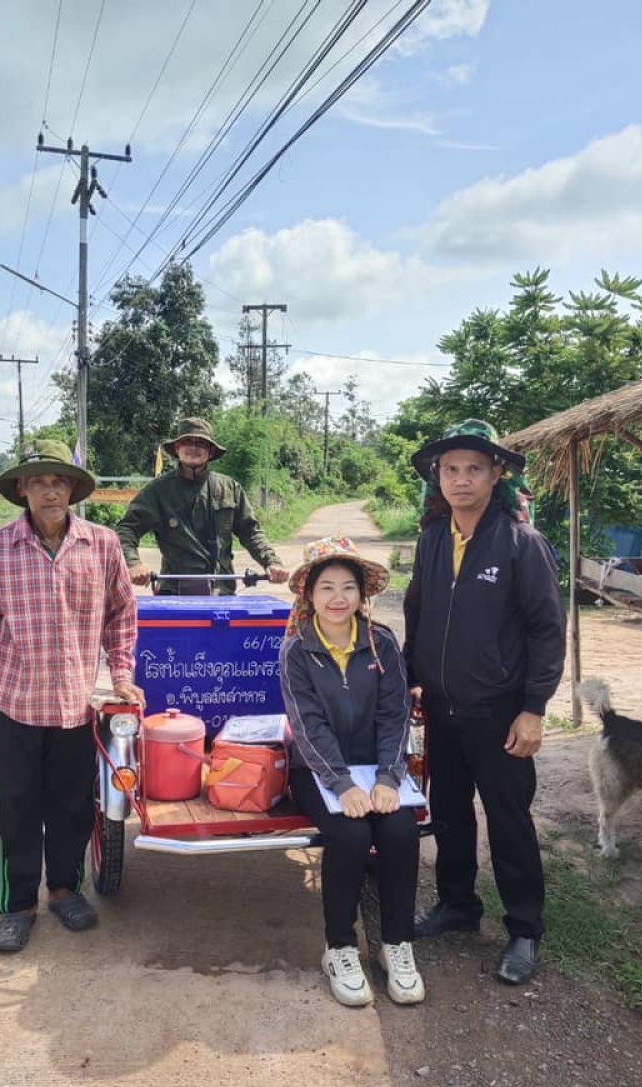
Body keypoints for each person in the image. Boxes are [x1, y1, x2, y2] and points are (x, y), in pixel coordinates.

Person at [0, 439, 145, 954]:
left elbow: (122, 616)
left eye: (58, 481)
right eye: (38, 481)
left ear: (72, 489)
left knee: (70, 805)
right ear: (22, 489)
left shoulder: (102, 543)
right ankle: (16, 905)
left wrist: (122, 674)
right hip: (14, 702)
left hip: (76, 703)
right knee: (14, 807)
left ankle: (65, 889)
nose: (49, 490)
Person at [403, 419, 566, 985]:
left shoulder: (522, 544)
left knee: (508, 820)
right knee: (447, 813)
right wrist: (412, 678)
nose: (462, 479)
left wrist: (535, 708)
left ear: (497, 474)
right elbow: (417, 615)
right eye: (451, 469)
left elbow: (548, 629)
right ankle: (457, 906)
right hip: (443, 709)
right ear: (437, 477)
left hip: (501, 713)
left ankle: (524, 928)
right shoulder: (430, 540)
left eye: (474, 468)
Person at [279, 536, 424, 1009]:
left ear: (363, 595)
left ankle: (396, 945)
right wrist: (341, 784)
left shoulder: (381, 643)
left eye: (348, 587)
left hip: (378, 770)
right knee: (350, 838)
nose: (338, 598)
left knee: (402, 832)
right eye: (326, 588)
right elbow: (307, 725)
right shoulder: (297, 651)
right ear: (309, 595)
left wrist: (387, 777)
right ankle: (340, 947)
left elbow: (395, 714)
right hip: (317, 772)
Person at [116, 416, 290, 595]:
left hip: (222, 591)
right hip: (174, 594)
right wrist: (133, 563)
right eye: (187, 442)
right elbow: (127, 529)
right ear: (177, 448)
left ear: (211, 452)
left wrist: (272, 562)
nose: (193, 448)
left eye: (200, 443)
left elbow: (251, 532)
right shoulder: (158, 491)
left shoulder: (230, 488)